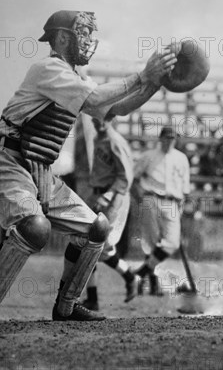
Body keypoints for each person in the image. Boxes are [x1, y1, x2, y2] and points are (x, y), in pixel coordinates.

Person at [0, 10, 177, 329]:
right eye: (83, 33)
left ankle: (68, 304)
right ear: (62, 38)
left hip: (41, 169)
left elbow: (112, 109)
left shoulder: (75, 77)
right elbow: (98, 96)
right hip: (7, 161)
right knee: (35, 228)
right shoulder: (48, 68)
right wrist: (142, 75)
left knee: (98, 228)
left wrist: (153, 83)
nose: (89, 40)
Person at [80, 115, 137, 311]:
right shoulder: (99, 139)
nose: (97, 123)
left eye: (102, 119)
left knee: (99, 246)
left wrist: (108, 195)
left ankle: (130, 277)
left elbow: (125, 177)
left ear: (111, 119)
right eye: (96, 120)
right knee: (91, 245)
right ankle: (94, 297)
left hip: (114, 197)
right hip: (98, 194)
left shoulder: (115, 141)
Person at [131, 126, 191, 296]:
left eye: (173, 138)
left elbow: (185, 187)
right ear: (161, 138)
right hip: (151, 198)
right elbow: (134, 178)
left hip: (173, 202)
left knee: (172, 243)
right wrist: (140, 198)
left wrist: (181, 206)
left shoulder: (182, 158)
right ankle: (153, 284)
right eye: (167, 137)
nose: (170, 140)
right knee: (150, 243)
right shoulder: (149, 156)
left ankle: (141, 273)